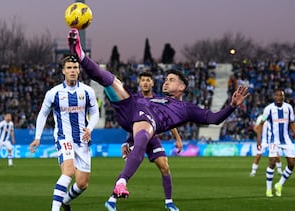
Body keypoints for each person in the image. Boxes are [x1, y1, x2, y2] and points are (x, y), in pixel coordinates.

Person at [67, 28, 249, 210]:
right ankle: (80, 54)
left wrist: (231, 106)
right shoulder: (151, 98)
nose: (166, 82)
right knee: (110, 81)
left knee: (158, 155)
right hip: (130, 107)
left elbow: (214, 118)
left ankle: (124, 183)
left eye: (171, 79)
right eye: (166, 79)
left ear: (182, 86)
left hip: (147, 122)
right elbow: (136, 119)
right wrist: (128, 141)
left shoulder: (186, 108)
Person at [28, 55, 99, 211]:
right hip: (63, 138)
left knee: (82, 183)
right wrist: (37, 138)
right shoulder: (54, 93)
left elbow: (95, 113)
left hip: (82, 140)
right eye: (69, 68)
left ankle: (65, 202)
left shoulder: (88, 91)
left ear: (79, 71)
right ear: (63, 71)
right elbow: (42, 114)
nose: (72, 71)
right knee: (68, 171)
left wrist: (90, 128)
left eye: (75, 68)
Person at [105, 72, 183, 211]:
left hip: (152, 139)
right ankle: (111, 199)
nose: (146, 83)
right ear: (139, 83)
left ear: (153, 83)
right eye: (143, 80)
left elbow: (170, 121)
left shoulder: (159, 100)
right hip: (135, 137)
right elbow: (128, 122)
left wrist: (178, 139)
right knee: (129, 168)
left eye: (148, 80)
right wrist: (126, 142)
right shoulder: (133, 100)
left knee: (164, 166)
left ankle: (169, 202)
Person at [256, 89, 295, 198]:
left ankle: (279, 184)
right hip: (273, 141)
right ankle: (268, 189)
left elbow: (292, 123)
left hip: (286, 140)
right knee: (272, 162)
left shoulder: (288, 108)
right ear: (274, 97)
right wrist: (259, 139)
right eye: (278, 95)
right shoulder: (268, 109)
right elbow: (261, 124)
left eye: (282, 95)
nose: (280, 97)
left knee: (291, 164)